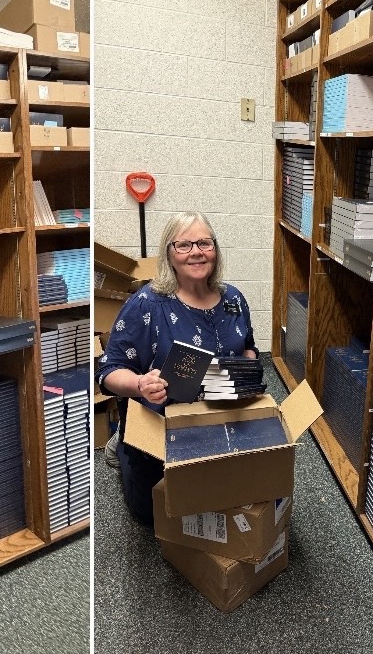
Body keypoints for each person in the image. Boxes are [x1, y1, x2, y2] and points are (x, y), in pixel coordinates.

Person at [98, 211, 258, 525]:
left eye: (204, 243)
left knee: (229, 495)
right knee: (153, 514)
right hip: (164, 424)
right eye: (184, 245)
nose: (196, 252)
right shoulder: (147, 304)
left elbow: (248, 346)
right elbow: (108, 371)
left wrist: (246, 371)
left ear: (215, 249)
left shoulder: (233, 298)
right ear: (169, 254)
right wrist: (140, 384)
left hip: (221, 415)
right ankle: (123, 445)